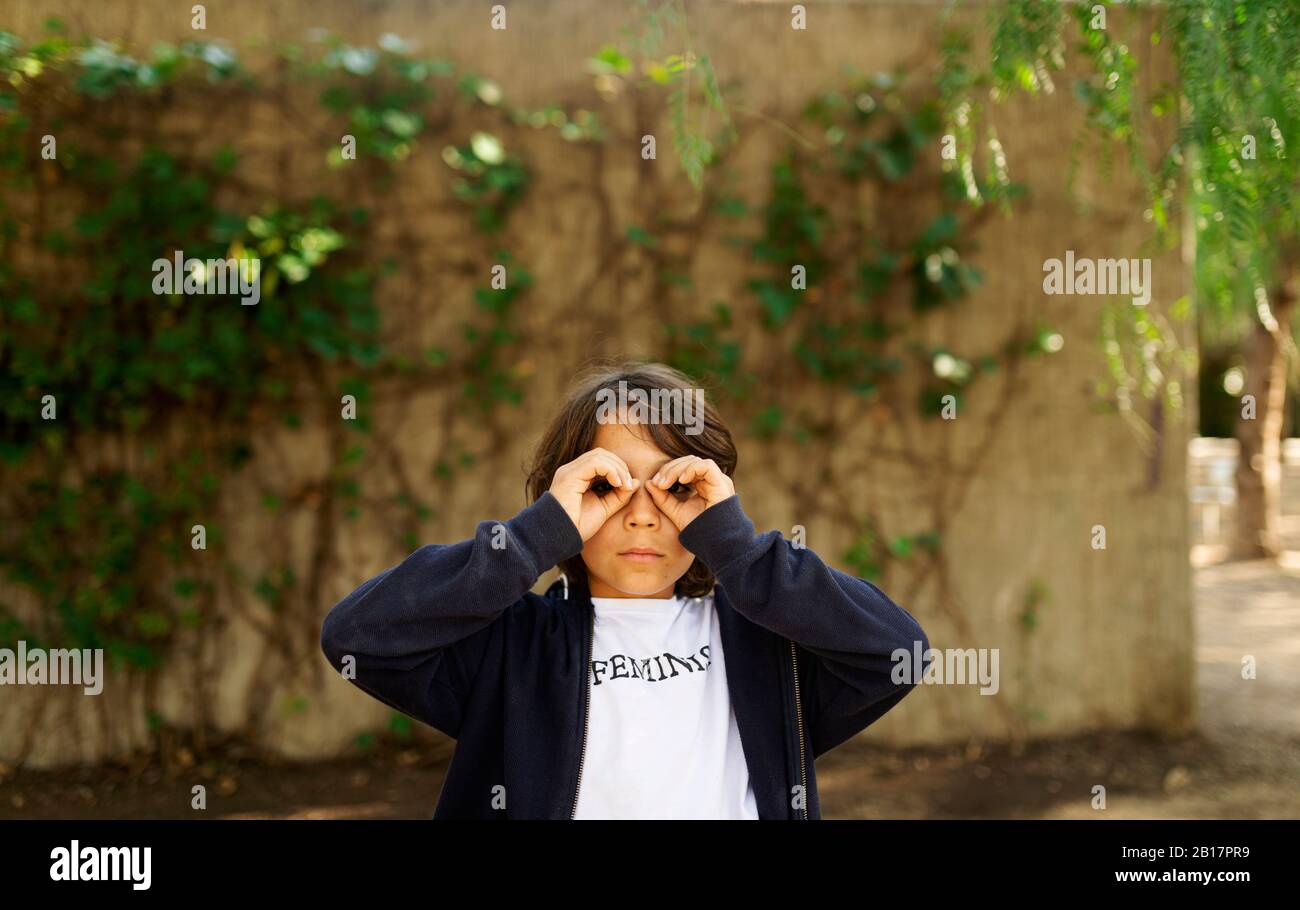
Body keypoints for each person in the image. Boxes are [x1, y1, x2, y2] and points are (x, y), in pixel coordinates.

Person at [320, 360, 930, 819]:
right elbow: (358, 637)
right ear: (562, 498)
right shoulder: (512, 645)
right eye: (609, 487)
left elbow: (898, 653)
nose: (642, 515)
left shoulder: (766, 645)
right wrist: (533, 539)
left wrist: (739, 550)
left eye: (674, 487)